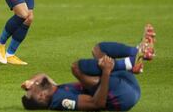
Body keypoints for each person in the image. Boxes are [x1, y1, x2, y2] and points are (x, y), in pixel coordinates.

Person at [21, 24, 156, 111]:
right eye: (33, 89)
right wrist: (106, 72)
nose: (35, 84)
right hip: (121, 96)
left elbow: (42, 75)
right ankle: (130, 63)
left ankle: (134, 53)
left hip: (122, 83)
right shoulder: (61, 100)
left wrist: (30, 82)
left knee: (98, 50)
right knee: (77, 67)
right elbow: (97, 104)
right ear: (41, 96)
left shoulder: (54, 90)